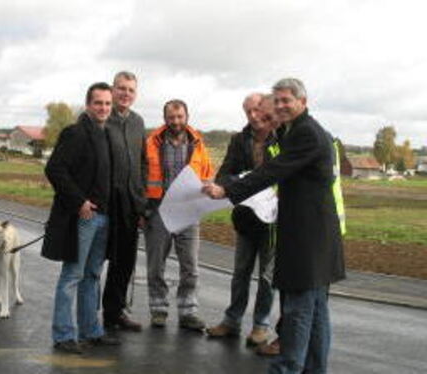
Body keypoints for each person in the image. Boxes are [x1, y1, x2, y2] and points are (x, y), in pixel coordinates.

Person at [204, 78, 345, 373]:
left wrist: (227, 190)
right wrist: (273, 122)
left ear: (303, 102)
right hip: (315, 236)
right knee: (316, 311)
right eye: (276, 101)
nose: (280, 106)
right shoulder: (294, 131)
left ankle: (286, 368)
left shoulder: (307, 134)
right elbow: (270, 163)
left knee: (297, 311)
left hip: (308, 238)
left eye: (286, 101)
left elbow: (270, 171)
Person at [41, 82, 120, 354]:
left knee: (93, 276)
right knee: (73, 275)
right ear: (88, 105)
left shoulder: (106, 134)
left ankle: (91, 330)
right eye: (98, 103)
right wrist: (79, 202)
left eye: (108, 103)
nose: (103, 108)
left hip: (104, 218)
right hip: (84, 217)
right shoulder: (75, 133)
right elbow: (55, 169)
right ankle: (63, 335)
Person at [206, 93, 276, 347]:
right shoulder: (239, 140)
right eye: (248, 112)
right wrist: (231, 183)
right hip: (246, 217)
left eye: (257, 109)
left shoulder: (280, 138)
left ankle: (261, 325)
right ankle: (232, 320)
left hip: (273, 219)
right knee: (240, 272)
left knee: (267, 276)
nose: (253, 116)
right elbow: (225, 172)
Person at [144, 99, 214, 331]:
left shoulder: (199, 145)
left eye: (180, 117)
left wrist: (206, 190)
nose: (176, 121)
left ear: (187, 116)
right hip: (158, 212)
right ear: (165, 118)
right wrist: (143, 209)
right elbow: (140, 177)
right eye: (171, 117)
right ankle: (159, 310)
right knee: (156, 266)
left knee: (191, 267)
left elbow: (207, 175)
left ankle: (188, 312)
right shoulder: (151, 143)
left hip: (188, 213)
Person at [102, 71, 147, 332]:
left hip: (130, 205)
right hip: (106, 204)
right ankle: (89, 320)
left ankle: (115, 312)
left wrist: (141, 204)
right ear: (112, 89)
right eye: (121, 88)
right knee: (95, 264)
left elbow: (142, 162)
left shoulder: (138, 122)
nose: (126, 94)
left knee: (124, 263)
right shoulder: (102, 119)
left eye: (130, 90)